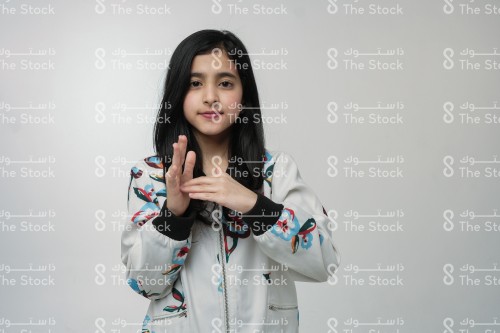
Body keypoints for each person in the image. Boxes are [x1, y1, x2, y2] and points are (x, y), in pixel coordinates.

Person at [121, 29, 341, 333]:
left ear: (244, 95)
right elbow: (145, 284)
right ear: (178, 93)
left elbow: (323, 262)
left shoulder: (276, 171)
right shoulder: (152, 175)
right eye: (195, 83)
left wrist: (255, 205)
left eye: (225, 83)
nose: (211, 97)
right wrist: (174, 216)